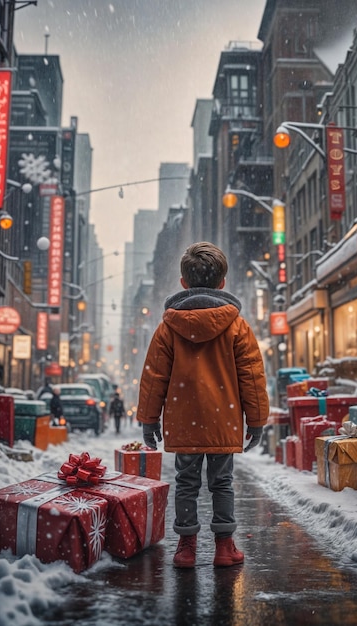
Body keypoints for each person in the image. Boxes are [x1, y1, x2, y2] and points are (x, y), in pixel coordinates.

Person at [137, 242, 269, 569]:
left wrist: (149, 420)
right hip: (222, 419)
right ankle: (224, 547)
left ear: (183, 282)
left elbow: (154, 376)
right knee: (222, 483)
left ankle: (185, 548)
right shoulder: (237, 326)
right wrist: (256, 420)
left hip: (184, 419)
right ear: (222, 282)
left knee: (186, 483)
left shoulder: (169, 327)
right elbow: (251, 376)